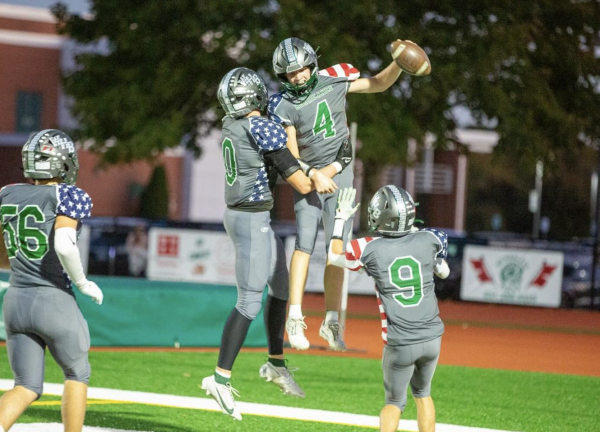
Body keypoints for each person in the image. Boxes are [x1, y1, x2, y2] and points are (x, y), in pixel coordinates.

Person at [200, 67, 339, 421]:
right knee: (248, 302)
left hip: (250, 216)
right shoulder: (260, 126)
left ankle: (276, 362)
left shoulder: (233, 124)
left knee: (280, 287)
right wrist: (334, 165)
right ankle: (220, 378)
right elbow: (302, 183)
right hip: (250, 220)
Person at [268, 37, 405, 351]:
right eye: (291, 73)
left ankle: (331, 321)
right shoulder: (282, 104)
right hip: (306, 174)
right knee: (304, 243)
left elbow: (379, 84)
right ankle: (295, 318)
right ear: (283, 76)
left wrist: (398, 63)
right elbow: (290, 154)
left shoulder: (336, 78)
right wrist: (315, 174)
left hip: (340, 173)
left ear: (312, 64)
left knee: (337, 250)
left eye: (302, 69)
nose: (299, 76)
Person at [0, 129, 103, 432]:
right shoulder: (67, 194)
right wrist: (83, 283)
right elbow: (63, 244)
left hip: (15, 299)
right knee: (77, 373)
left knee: (26, 385)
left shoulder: (7, 193)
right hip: (52, 297)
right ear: (64, 163)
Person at [327, 186, 449, 432]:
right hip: (432, 337)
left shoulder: (369, 247)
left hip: (400, 340)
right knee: (423, 394)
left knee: (394, 402)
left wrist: (340, 219)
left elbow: (333, 256)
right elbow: (444, 272)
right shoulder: (428, 240)